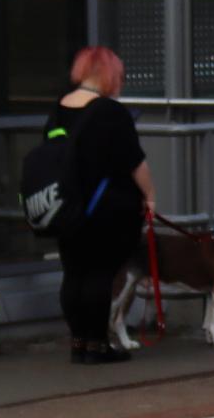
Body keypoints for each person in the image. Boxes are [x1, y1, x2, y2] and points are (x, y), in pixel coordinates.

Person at [46, 46, 152, 365]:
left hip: (66, 206)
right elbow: (135, 161)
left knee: (74, 273)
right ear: (108, 75)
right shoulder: (110, 111)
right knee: (100, 275)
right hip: (107, 207)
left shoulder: (60, 108)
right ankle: (97, 345)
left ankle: (78, 342)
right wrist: (151, 197)